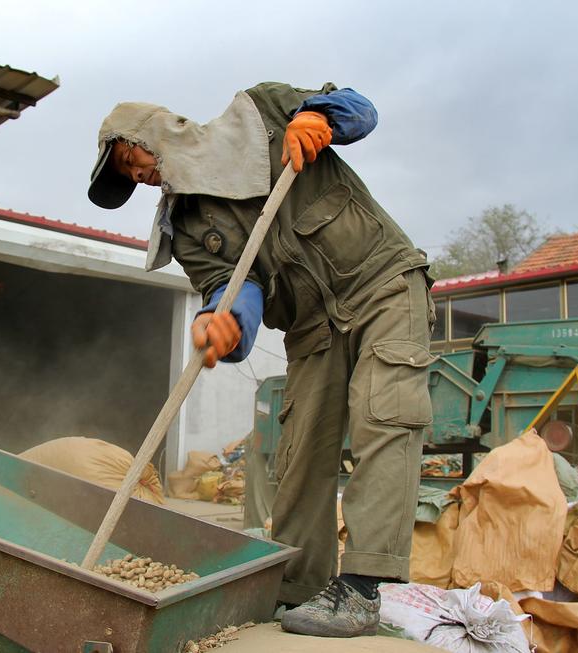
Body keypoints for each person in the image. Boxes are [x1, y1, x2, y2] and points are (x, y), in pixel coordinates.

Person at [87, 82, 435, 638]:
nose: (140, 175)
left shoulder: (265, 113)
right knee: (300, 454)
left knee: (384, 419)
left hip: (382, 286)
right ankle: (294, 587)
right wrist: (222, 322)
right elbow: (232, 286)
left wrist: (322, 117)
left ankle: (365, 587)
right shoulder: (190, 232)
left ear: (156, 134)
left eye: (135, 159)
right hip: (311, 324)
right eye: (130, 176)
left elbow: (361, 111)